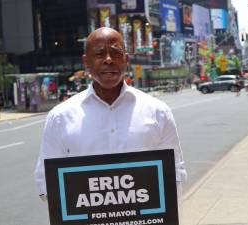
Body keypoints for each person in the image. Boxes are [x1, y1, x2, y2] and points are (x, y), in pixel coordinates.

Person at [34, 27, 187, 202]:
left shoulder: (158, 112)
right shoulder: (60, 117)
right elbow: (46, 181)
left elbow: (174, 172)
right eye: (99, 54)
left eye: (115, 53)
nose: (108, 60)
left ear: (126, 60)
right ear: (86, 62)